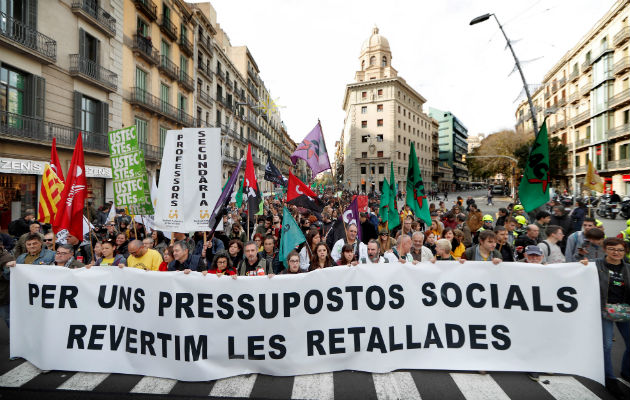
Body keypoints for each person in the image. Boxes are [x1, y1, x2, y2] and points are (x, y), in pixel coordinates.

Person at [596, 237, 630, 399]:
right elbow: (569, 270)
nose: (616, 253)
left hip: (624, 308)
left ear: (625, 252)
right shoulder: (594, 265)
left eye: (620, 250)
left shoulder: (628, 269)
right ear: (605, 249)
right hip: (603, 309)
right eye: (612, 249)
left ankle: (626, 371)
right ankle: (609, 379)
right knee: (607, 345)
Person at [0, 243, 14, 327]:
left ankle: (15, 339)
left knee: (8, 320)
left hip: (3, 296)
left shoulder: (7, 257)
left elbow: (9, 276)